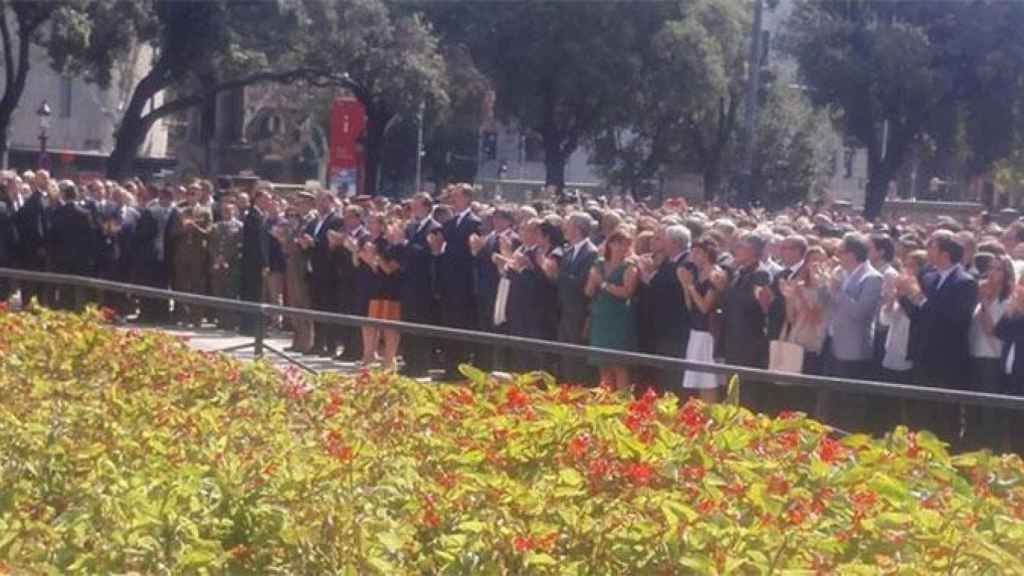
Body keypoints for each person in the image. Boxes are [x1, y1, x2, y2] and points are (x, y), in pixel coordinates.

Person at [896, 229, 978, 446]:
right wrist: (903, 296)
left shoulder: (965, 282)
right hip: (924, 356)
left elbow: (953, 320)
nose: (927, 251)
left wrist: (918, 296)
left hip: (948, 360)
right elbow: (919, 317)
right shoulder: (928, 276)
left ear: (945, 253)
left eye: (932, 246)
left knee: (944, 417)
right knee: (922, 415)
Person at [820, 233, 882, 432]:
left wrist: (838, 291)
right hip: (831, 341)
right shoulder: (840, 272)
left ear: (852, 254)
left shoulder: (872, 277)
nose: (837, 256)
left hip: (853, 348)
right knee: (829, 398)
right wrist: (823, 282)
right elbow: (824, 303)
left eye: (841, 252)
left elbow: (860, 313)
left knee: (850, 403)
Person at [716, 232, 772, 411]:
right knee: (732, 386)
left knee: (746, 390)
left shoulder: (760, 273)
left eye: (741, 246)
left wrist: (726, 289)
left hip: (749, 339)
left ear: (752, 250)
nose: (736, 250)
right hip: (733, 336)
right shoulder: (738, 271)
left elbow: (753, 303)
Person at [432, 184, 483, 379]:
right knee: (449, 323)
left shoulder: (474, 222)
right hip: (448, 281)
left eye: (457, 196)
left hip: (464, 282)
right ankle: (450, 366)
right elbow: (441, 247)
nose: (453, 199)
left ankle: (461, 368)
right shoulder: (450, 224)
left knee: (462, 324)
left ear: (468, 199)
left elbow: (474, 253)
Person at [965, 254, 1014, 449]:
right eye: (991, 268)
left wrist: (984, 303)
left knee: (989, 410)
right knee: (973, 407)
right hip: (974, 355)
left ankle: (991, 447)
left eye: (998, 269)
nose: (992, 273)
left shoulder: (1007, 302)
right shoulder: (981, 296)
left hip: (993, 358)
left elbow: (991, 330)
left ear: (1006, 274)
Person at [638, 224, 693, 393]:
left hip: (676, 327)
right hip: (662, 326)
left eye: (665, 241)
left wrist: (647, 274)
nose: (662, 245)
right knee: (663, 371)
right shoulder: (668, 262)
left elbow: (669, 288)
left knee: (674, 372)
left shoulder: (687, 263)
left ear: (675, 243)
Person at [585, 228, 639, 391]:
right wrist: (593, 280)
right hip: (600, 317)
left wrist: (602, 283)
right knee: (603, 364)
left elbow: (626, 292)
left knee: (619, 364)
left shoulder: (630, 267)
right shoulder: (599, 264)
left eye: (625, 244)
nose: (620, 247)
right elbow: (588, 291)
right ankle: (605, 402)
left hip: (618, 318)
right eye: (617, 243)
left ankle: (622, 402)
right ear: (609, 244)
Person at [393, 193, 441, 378]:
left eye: (417, 206)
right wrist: (398, 243)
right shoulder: (411, 226)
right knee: (408, 323)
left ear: (427, 207)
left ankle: (421, 363)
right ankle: (410, 361)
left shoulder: (434, 227)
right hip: (407, 282)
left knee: (421, 324)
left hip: (424, 283)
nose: (413, 210)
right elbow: (402, 253)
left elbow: (429, 254)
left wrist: (406, 244)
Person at [679, 237, 723, 402]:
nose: (693, 255)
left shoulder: (715, 275)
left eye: (698, 252)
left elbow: (705, 307)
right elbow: (690, 305)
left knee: (708, 381)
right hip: (695, 329)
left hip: (708, 332)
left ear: (707, 254)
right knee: (698, 381)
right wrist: (685, 285)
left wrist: (690, 286)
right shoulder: (697, 274)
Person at [557, 212, 599, 383]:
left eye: (568, 225)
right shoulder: (568, 251)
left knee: (577, 358)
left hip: (580, 312)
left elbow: (583, 283)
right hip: (565, 311)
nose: (565, 229)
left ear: (578, 228)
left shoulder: (591, 253)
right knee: (565, 356)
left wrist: (559, 276)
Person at [301, 190, 343, 356]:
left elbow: (332, 246)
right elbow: (308, 246)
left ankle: (330, 345)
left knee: (328, 309)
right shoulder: (312, 223)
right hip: (313, 272)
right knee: (316, 308)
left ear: (331, 202)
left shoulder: (336, 221)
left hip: (329, 273)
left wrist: (315, 243)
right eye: (318, 201)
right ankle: (317, 343)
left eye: (323, 201)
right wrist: (304, 245)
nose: (320, 205)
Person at [47, 181, 97, 311]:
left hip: (62, 257)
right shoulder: (85, 214)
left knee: (64, 288)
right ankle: (79, 311)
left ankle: (64, 311)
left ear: (64, 196)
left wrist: (53, 254)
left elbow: (52, 235)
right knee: (80, 289)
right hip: (80, 258)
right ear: (76, 196)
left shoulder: (58, 212)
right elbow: (91, 238)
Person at [282, 196, 315, 353]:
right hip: (292, 264)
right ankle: (297, 339)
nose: (298, 206)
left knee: (303, 304)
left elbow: (308, 243)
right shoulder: (297, 222)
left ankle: (306, 341)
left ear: (309, 204)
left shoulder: (311, 221)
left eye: (301, 203)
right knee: (294, 303)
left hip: (303, 266)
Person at [239, 185, 271, 335]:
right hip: (254, 263)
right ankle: (251, 327)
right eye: (266, 199)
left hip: (252, 262)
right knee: (254, 294)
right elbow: (258, 243)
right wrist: (264, 263)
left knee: (254, 294)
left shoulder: (258, 215)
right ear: (258, 199)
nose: (268, 202)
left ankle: (250, 326)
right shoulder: (254, 216)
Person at [209, 201, 244, 330]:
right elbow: (211, 244)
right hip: (217, 265)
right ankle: (221, 319)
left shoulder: (239, 226)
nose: (227, 213)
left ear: (234, 211)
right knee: (219, 292)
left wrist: (226, 257)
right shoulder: (216, 226)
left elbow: (238, 245)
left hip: (232, 264)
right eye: (224, 211)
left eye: (229, 210)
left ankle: (231, 321)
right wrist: (216, 258)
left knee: (231, 293)